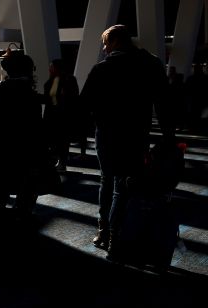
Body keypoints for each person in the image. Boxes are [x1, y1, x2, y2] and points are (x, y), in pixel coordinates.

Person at [80, 24, 175, 258]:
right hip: (136, 133)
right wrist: (168, 135)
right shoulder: (151, 65)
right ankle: (119, 234)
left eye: (105, 43)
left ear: (114, 42)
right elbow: (163, 103)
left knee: (108, 180)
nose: (104, 48)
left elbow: (85, 106)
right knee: (126, 183)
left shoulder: (102, 69)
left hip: (107, 134)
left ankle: (106, 232)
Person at [0, 51, 56, 224]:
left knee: (2, 185)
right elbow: (35, 126)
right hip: (27, 149)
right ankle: (22, 214)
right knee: (28, 185)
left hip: (0, 147)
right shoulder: (30, 96)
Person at [43, 59, 85, 171]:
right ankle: (57, 161)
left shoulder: (69, 80)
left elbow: (73, 97)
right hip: (52, 115)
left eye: (51, 67)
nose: (49, 69)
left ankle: (62, 162)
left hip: (63, 115)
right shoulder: (51, 80)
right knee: (53, 140)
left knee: (62, 140)